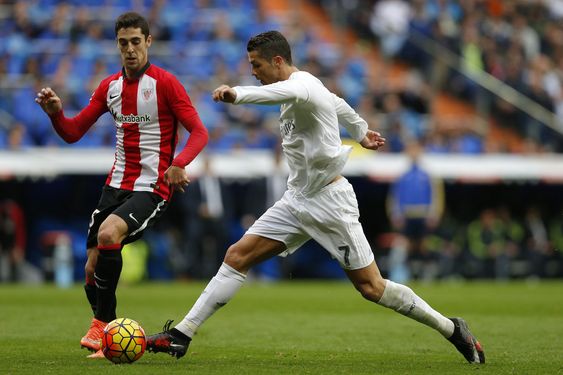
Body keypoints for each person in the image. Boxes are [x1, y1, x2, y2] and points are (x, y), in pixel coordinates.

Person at [146, 30, 484, 364]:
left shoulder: (300, 87)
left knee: (372, 287)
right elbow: (336, 102)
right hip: (297, 199)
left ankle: (452, 329)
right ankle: (182, 335)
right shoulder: (309, 87)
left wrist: (235, 94)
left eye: (257, 65)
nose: (254, 72)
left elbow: (275, 94)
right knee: (237, 256)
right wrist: (362, 131)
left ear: (278, 61)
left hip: (329, 202)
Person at [34, 12, 208, 358]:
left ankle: (100, 327)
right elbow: (71, 133)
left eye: (136, 42)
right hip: (115, 184)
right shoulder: (109, 87)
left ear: (148, 42)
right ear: (117, 45)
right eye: (123, 43)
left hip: (152, 186)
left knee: (109, 234)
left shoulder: (165, 84)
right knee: (91, 269)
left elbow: (199, 132)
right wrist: (55, 113)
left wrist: (178, 164)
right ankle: (109, 335)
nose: (130, 49)